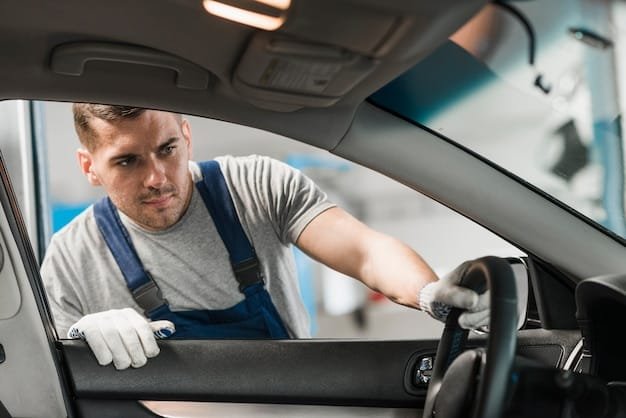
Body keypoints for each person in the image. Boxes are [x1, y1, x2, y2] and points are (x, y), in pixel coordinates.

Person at [41, 104, 489, 370]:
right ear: (89, 167)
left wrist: (430, 293)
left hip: (288, 407)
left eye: (167, 149)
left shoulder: (256, 186)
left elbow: (365, 251)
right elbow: (48, 378)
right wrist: (77, 338)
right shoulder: (69, 259)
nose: (157, 178)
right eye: (127, 161)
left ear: (187, 137)